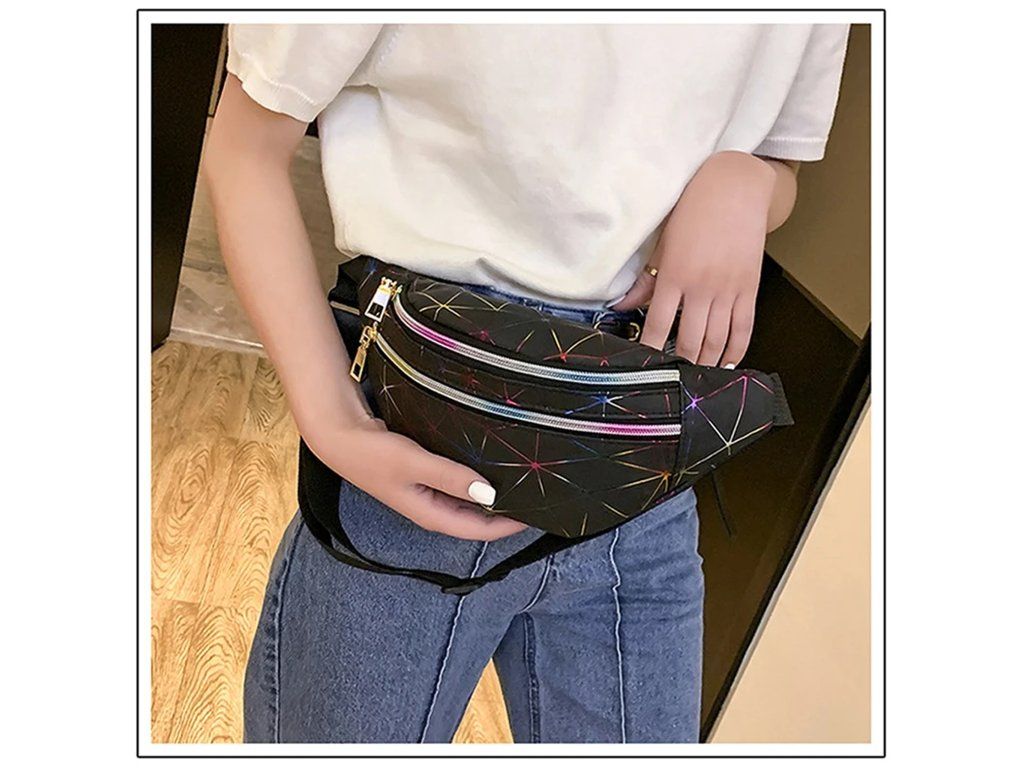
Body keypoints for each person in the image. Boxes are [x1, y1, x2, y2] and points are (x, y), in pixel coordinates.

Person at [202, 22, 849, 744]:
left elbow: (780, 159)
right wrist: (331, 419)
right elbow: (246, 145)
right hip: (423, 431)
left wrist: (746, 181)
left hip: (638, 455)